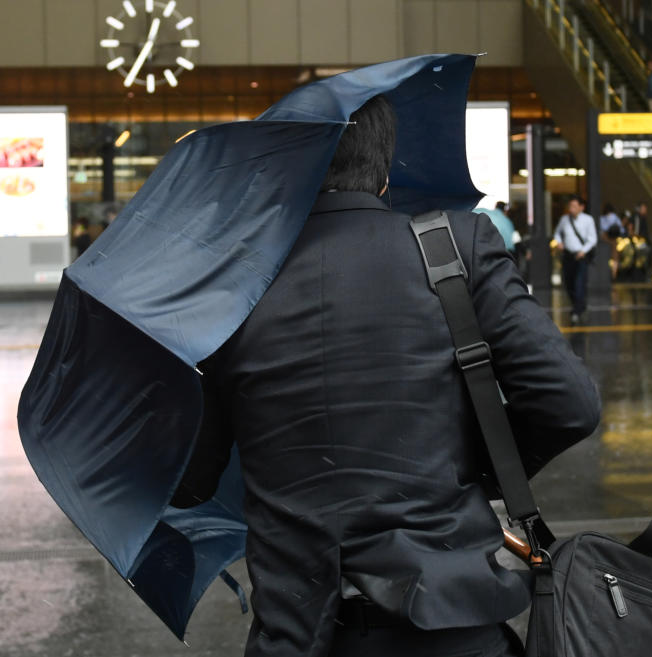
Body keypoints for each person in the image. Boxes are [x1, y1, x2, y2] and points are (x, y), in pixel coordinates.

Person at [171, 95, 602, 657]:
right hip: (455, 625)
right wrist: (474, 469)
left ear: (288, 172)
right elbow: (570, 403)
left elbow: (190, 481)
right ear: (382, 171)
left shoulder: (234, 292)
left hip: (303, 636)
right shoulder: (454, 249)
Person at [553, 195, 597, 323]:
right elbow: (557, 233)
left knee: (579, 284)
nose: (571, 209)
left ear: (581, 207)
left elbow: (592, 239)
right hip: (568, 256)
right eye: (570, 206)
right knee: (569, 283)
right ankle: (579, 305)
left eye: (574, 206)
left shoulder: (588, 220)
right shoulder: (564, 219)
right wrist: (559, 242)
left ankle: (577, 311)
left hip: (581, 257)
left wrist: (583, 251)